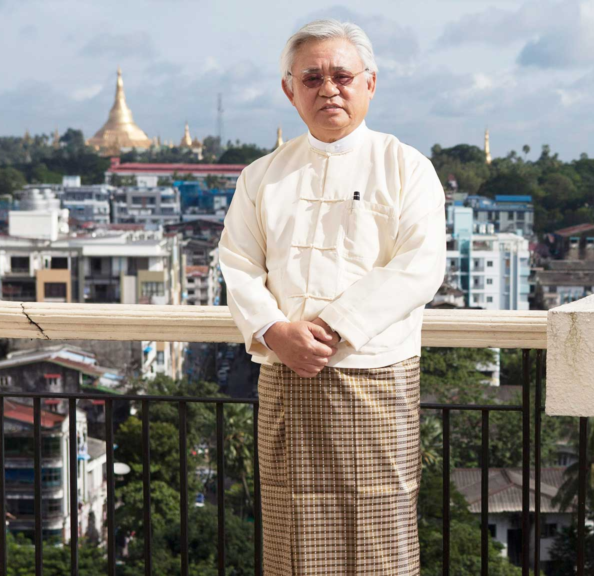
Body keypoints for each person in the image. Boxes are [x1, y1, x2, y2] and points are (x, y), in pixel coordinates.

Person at [218, 18, 446, 576]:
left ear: (370, 83)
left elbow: (420, 266)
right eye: (312, 77)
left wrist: (332, 329)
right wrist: (275, 332)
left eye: (342, 75)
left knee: (379, 530)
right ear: (289, 89)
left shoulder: (406, 167)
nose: (329, 88)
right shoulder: (261, 176)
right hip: (286, 374)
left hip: (374, 375)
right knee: (290, 528)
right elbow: (238, 264)